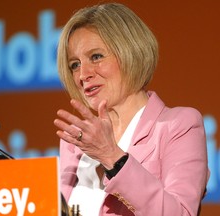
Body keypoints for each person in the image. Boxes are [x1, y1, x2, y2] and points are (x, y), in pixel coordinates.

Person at [54, 2, 209, 216]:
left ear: (130, 52)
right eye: (75, 64)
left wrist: (112, 157)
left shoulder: (178, 125)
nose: (83, 75)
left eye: (96, 57)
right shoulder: (74, 142)